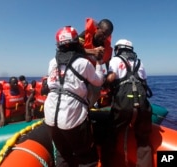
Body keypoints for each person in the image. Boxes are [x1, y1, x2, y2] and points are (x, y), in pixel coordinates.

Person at [44, 26, 104, 166]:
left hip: (50, 117)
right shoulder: (83, 63)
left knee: (62, 155)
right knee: (86, 157)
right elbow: (98, 81)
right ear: (77, 41)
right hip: (72, 118)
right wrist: (99, 62)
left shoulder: (52, 63)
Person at [104, 39, 153, 167]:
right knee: (143, 141)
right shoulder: (140, 63)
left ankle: (108, 163)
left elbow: (110, 78)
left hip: (123, 105)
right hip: (142, 105)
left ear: (118, 49)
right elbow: (144, 82)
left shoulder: (115, 60)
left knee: (110, 134)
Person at [78, 18, 114, 108]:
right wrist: (92, 52)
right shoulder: (84, 35)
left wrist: (109, 78)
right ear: (97, 28)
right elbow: (72, 50)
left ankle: (87, 109)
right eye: (103, 33)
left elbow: (108, 65)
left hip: (92, 73)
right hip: (78, 71)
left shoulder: (106, 46)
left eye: (107, 35)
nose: (104, 37)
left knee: (97, 91)